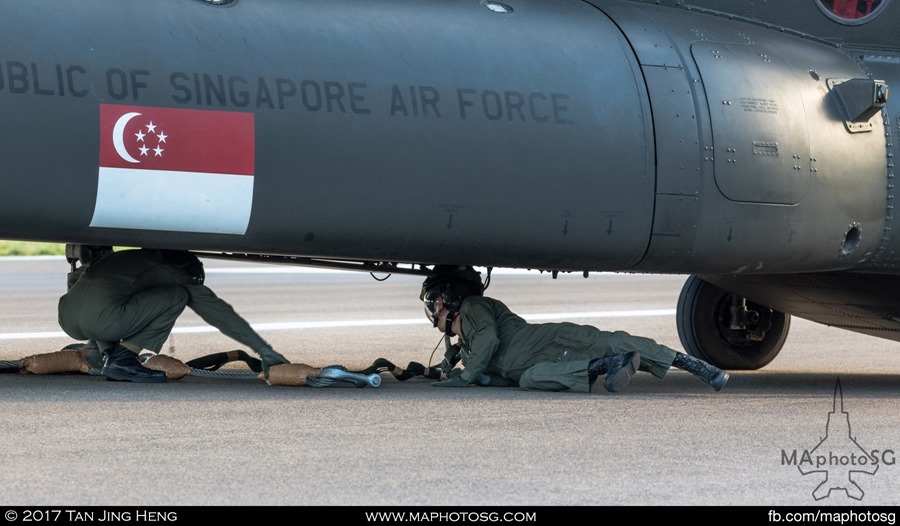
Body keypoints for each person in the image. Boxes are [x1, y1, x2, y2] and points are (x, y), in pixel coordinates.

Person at [420, 267, 728, 393]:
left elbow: (490, 340)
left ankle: (696, 366)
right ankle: (611, 366)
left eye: (435, 301)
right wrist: (480, 376)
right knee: (528, 381)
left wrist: (465, 377)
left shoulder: (475, 308)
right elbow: (497, 367)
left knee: (612, 340)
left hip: (550, 340)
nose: (433, 311)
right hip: (534, 365)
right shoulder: (468, 343)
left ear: (453, 296)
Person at [58, 248, 290, 383]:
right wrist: (263, 349)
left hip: (67, 319)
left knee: (110, 299)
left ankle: (106, 354)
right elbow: (219, 313)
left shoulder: (127, 259)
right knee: (178, 295)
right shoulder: (171, 272)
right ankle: (122, 359)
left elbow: (79, 281)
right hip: (104, 321)